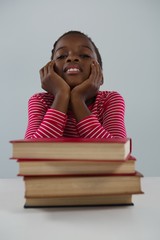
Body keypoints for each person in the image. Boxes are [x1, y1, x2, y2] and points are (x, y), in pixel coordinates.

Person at [25, 30, 127, 139]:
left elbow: (115, 151)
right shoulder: (40, 101)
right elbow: (32, 151)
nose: (71, 58)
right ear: (51, 71)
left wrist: (77, 99)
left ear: (100, 76)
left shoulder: (109, 100)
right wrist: (61, 94)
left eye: (85, 55)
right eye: (61, 56)